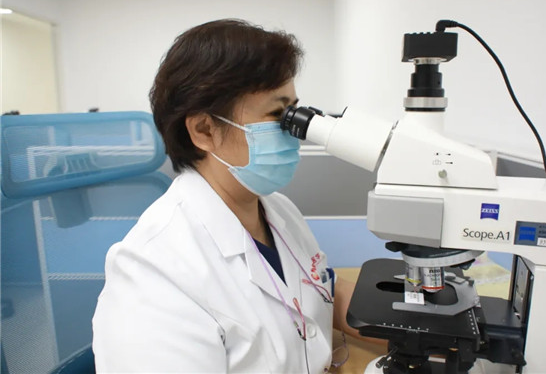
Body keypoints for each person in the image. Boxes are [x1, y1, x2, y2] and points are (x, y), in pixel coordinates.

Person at [92, 19, 365, 373]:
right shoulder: (153, 273)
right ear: (204, 130)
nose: (295, 131)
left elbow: (322, 287)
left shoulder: (277, 210)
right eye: (278, 114)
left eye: (294, 111)